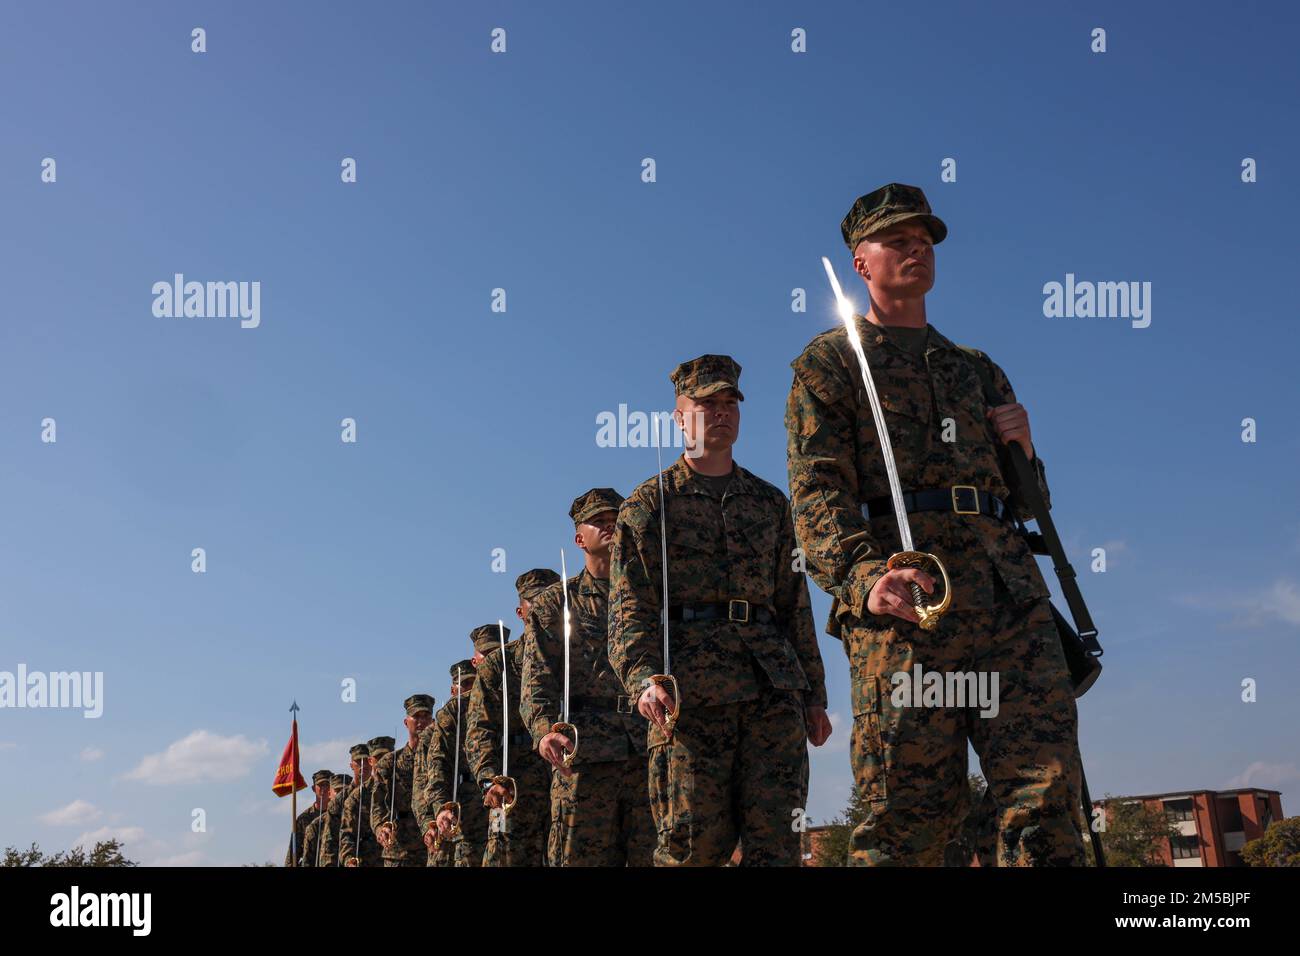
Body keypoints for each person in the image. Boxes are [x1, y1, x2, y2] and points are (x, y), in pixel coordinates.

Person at [784, 182, 1085, 866]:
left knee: (1044, 803)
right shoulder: (831, 364)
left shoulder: (976, 370)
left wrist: (1027, 454)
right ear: (861, 262)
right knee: (906, 816)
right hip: (910, 606)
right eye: (897, 240)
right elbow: (818, 494)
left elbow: (1031, 505)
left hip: (1009, 602)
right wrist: (864, 580)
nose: (915, 249)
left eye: (923, 240)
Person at [609, 354, 831, 866]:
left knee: (777, 846)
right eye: (707, 403)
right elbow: (630, 607)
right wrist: (644, 678)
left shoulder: (769, 502)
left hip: (771, 692)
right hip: (689, 698)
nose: (722, 412)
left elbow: (794, 604)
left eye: (730, 402)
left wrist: (814, 695)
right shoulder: (648, 506)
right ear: (678, 416)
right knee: (692, 849)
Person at [522, 488, 655, 866]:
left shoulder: (650, 595)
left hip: (646, 746)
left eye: (616, 519)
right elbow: (538, 680)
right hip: (584, 754)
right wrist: (545, 728)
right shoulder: (555, 604)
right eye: (599, 521)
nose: (610, 525)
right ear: (579, 538)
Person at [372, 694, 436, 866]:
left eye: (426, 716)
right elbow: (378, 804)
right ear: (406, 722)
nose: (421, 721)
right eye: (416, 716)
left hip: (434, 845)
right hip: (400, 850)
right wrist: (381, 827)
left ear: (433, 720)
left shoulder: (439, 758)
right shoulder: (389, 763)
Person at [285, 769, 331, 867]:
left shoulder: (339, 813)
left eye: (327, 784)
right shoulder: (303, 819)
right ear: (314, 789)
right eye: (320, 785)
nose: (324, 788)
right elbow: (293, 854)